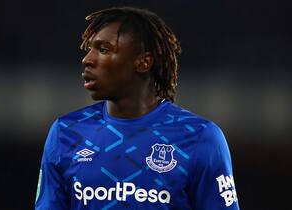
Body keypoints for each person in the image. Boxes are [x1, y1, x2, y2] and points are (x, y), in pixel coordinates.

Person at [35, 6, 240, 210]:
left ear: (143, 62)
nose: (87, 59)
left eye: (104, 49)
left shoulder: (199, 137)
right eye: (89, 49)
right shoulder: (67, 132)